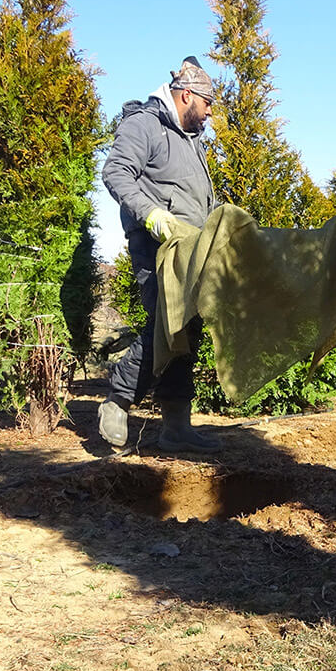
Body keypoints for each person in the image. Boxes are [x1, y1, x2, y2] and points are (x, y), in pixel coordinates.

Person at [98, 56, 222, 453]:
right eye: (206, 106)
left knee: (187, 330)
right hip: (156, 244)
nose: (208, 115)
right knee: (164, 326)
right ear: (186, 96)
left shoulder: (191, 139)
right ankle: (117, 401)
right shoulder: (143, 125)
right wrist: (152, 215)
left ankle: (176, 426)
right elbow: (115, 173)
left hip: (191, 248)